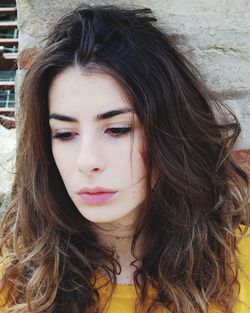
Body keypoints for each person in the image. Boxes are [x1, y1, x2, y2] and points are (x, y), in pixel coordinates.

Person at [0, 4, 249, 313]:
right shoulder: (15, 282)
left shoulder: (240, 265)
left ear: (169, 134)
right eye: (64, 134)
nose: (87, 161)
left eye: (117, 129)